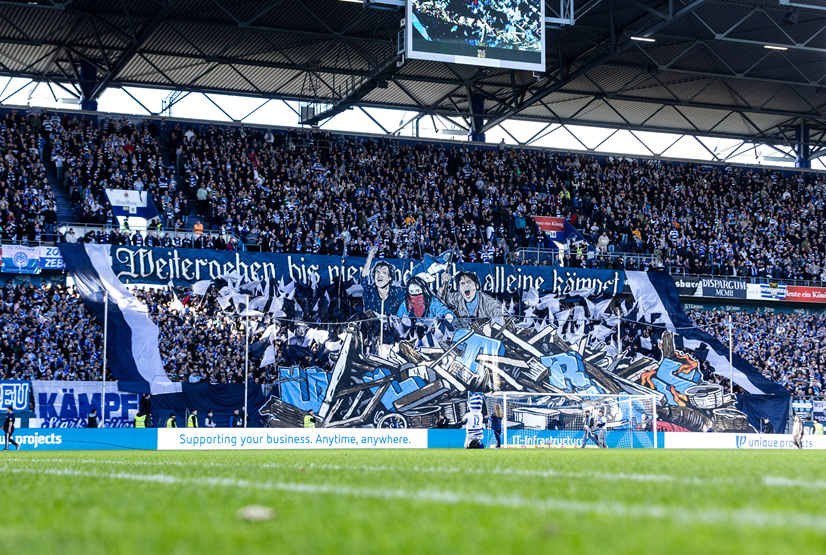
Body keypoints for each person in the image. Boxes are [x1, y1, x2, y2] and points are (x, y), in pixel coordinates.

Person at [360, 246, 404, 315]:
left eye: (384, 272)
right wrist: (370, 258)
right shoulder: (369, 291)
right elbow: (363, 277)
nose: (379, 275)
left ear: (390, 277)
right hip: (372, 324)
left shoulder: (397, 292)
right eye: (377, 272)